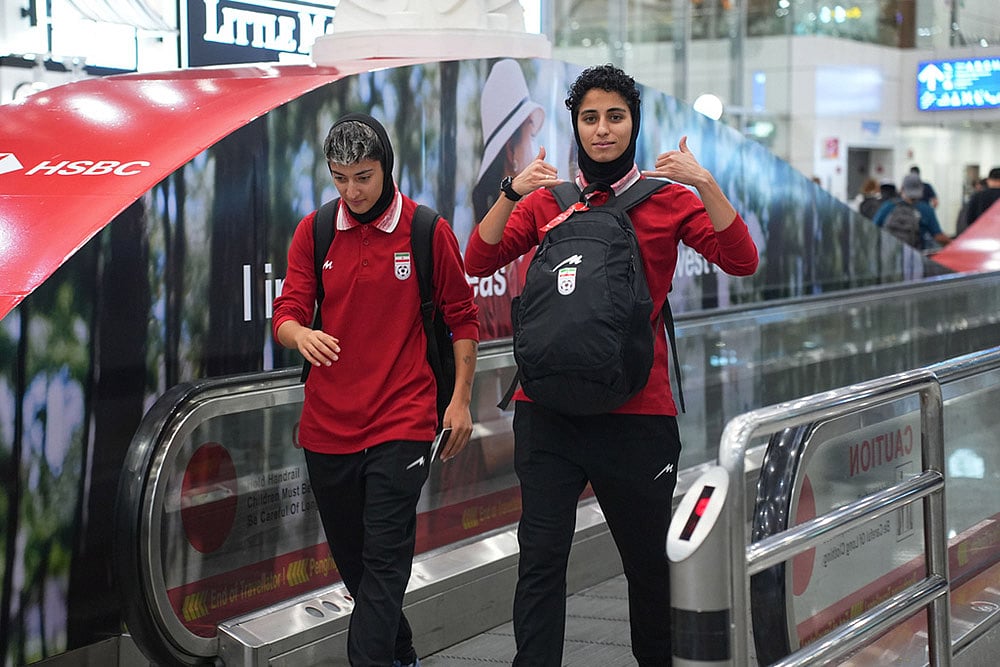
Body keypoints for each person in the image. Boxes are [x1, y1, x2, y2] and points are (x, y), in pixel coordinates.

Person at [463, 64, 759, 666]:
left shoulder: (670, 200)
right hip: (546, 413)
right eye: (590, 118)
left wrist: (704, 182)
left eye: (614, 117)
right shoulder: (547, 199)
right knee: (541, 562)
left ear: (634, 123)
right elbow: (479, 257)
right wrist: (511, 193)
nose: (602, 130)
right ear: (575, 125)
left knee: (648, 567)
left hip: (637, 412)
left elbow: (741, 259)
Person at [272, 113, 480, 667]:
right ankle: (401, 652)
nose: (352, 190)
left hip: (402, 420)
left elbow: (463, 319)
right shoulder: (314, 232)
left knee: (386, 562)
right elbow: (287, 311)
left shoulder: (427, 231)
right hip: (327, 427)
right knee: (357, 565)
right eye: (339, 177)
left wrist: (459, 400)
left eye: (362, 176)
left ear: (386, 167)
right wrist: (300, 334)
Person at [470, 58, 545, 340]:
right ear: (512, 152)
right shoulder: (489, 241)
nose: (538, 149)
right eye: (531, 137)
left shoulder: (539, 217)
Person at [872, 172, 951, 250]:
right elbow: (938, 237)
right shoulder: (926, 209)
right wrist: (952, 243)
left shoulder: (888, 205)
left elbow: (873, 229)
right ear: (921, 189)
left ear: (902, 188)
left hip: (891, 253)